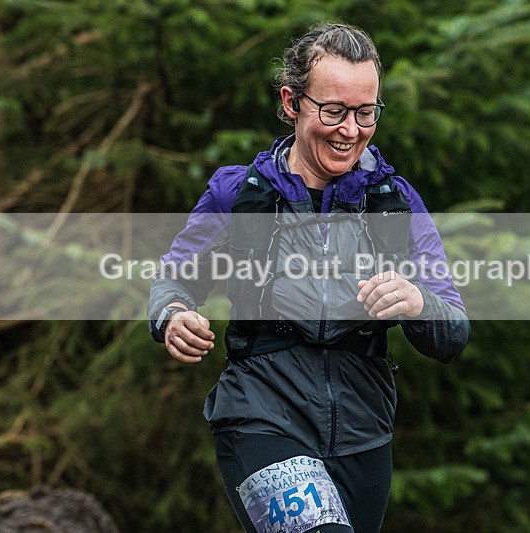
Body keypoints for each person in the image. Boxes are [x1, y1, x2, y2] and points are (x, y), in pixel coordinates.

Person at [148, 22, 470, 533]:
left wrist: (418, 303)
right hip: (260, 416)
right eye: (334, 110)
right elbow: (176, 278)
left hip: (364, 434)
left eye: (366, 112)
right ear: (292, 102)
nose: (351, 130)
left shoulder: (395, 204)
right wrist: (172, 314)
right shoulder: (241, 195)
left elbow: (453, 330)